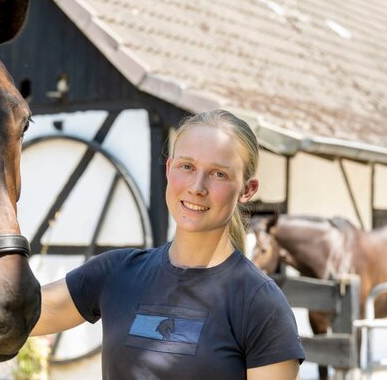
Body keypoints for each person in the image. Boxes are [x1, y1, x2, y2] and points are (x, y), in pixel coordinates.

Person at [31, 109, 305, 379]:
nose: (197, 186)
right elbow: (9, 314)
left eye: (219, 174)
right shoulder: (116, 273)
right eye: (187, 167)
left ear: (247, 190)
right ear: (169, 169)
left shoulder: (260, 304)